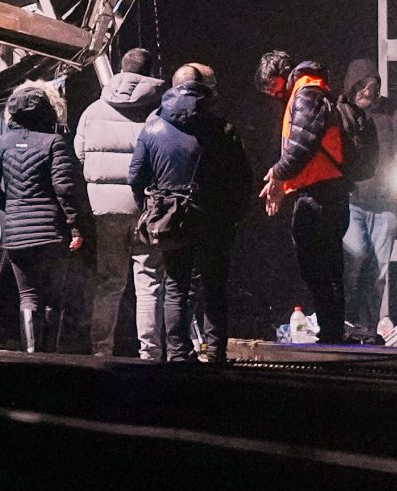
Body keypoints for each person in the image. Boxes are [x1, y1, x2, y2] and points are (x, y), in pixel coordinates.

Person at [128, 63, 253, 362]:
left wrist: (152, 205)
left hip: (173, 217)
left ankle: (178, 354)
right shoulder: (222, 128)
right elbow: (242, 178)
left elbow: (135, 177)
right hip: (216, 218)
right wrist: (234, 215)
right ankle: (215, 353)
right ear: (203, 90)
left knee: (175, 286)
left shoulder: (153, 128)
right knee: (215, 287)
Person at [0, 81, 92, 352]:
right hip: (51, 232)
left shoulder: (1, 144)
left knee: (27, 296)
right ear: (47, 111)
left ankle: (30, 355)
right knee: (52, 297)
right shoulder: (54, 143)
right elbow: (65, 189)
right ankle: (49, 357)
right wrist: (76, 226)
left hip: (17, 234)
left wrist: (11, 206)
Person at [72, 48, 164, 356]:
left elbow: (80, 153)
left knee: (109, 281)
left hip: (107, 209)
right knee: (148, 281)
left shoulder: (92, 111)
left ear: (121, 70)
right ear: (149, 73)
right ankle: (150, 352)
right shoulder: (159, 110)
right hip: (146, 208)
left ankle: (101, 350)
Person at [256, 50, 350, 344]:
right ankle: (331, 330)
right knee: (325, 267)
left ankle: (332, 334)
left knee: (321, 267)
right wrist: (284, 186)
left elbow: (301, 146)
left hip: (322, 195)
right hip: (322, 191)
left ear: (282, 74)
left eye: (273, 86)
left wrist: (277, 174)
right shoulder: (307, 92)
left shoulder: (307, 93)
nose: (274, 94)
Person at [338, 58, 397, 340]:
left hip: (385, 202)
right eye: (361, 86)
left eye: (372, 86)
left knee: (378, 270)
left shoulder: (391, 112)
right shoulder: (342, 111)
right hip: (352, 200)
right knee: (355, 257)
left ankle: (367, 326)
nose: (367, 91)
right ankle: (345, 320)